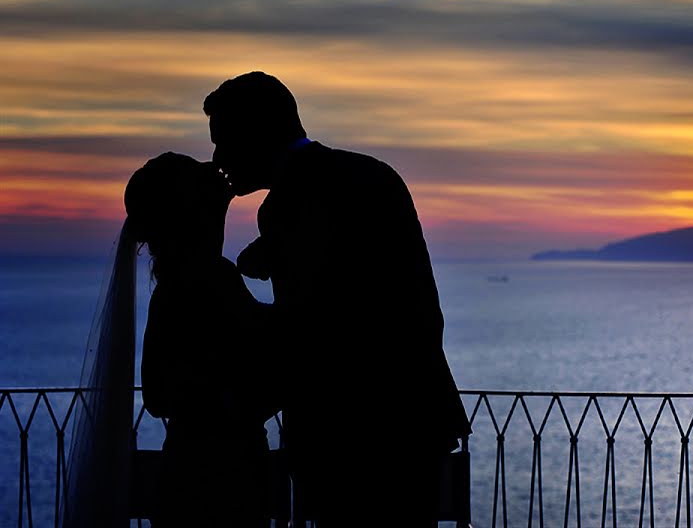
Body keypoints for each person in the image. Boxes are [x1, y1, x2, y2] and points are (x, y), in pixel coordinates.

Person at [205, 71, 471, 525]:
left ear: (258, 133)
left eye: (224, 140)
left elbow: (309, 325)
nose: (217, 158)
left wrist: (226, 288)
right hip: (415, 419)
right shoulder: (370, 174)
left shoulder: (287, 205)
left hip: (353, 437)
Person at [124, 152, 281, 527]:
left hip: (192, 465)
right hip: (221, 476)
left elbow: (157, 390)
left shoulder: (178, 282)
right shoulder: (208, 278)